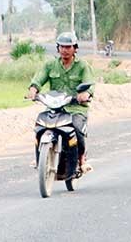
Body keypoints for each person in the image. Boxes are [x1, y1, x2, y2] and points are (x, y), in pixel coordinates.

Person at [27, 32, 94, 173]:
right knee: (40, 126)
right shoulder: (50, 65)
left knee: (76, 128)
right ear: (58, 48)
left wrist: (85, 94)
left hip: (76, 108)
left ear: (75, 48)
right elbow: (38, 79)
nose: (65, 50)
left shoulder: (82, 66)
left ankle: (81, 159)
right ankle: (40, 158)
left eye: (68, 47)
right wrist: (33, 90)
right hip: (54, 108)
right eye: (62, 47)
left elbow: (89, 84)